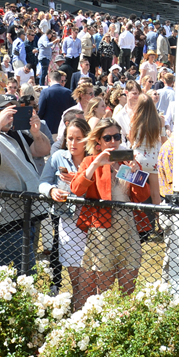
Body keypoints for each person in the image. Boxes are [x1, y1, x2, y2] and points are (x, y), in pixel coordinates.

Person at [70, 118, 151, 297]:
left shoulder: (127, 163)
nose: (113, 142)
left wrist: (135, 173)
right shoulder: (90, 161)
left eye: (117, 137)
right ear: (98, 140)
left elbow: (143, 196)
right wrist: (95, 164)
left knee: (128, 288)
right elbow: (76, 189)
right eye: (108, 138)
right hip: (102, 231)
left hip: (128, 227)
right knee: (104, 290)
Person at [38, 118, 92, 310]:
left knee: (90, 281)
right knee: (76, 280)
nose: (73, 143)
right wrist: (52, 191)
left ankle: (90, 315)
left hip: (92, 223)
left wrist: (79, 180)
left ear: (87, 139)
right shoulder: (58, 157)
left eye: (78, 138)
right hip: (68, 223)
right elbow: (43, 182)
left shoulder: (94, 158)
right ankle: (78, 316)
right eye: (70, 138)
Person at [0, 93, 49, 267]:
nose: (10, 113)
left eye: (13, 109)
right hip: (4, 220)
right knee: (17, 276)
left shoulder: (17, 132)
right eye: (3, 109)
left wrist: (37, 134)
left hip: (28, 212)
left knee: (25, 271)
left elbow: (43, 150)